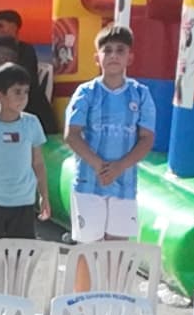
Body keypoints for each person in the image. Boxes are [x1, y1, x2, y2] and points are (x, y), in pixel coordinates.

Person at [61, 24, 168, 249]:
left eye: (120, 50)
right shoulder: (86, 93)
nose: (113, 55)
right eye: (107, 50)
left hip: (124, 184)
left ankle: (112, 286)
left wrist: (120, 167)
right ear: (96, 58)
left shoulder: (141, 94)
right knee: (87, 250)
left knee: (117, 251)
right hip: (89, 183)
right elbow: (72, 135)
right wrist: (99, 165)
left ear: (130, 58)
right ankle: (84, 286)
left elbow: (146, 138)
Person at [0, 63, 52, 242]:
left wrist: (44, 196)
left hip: (24, 201)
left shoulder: (32, 123)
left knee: (21, 257)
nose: (23, 97)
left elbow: (38, 163)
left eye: (26, 91)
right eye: (17, 92)